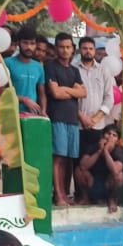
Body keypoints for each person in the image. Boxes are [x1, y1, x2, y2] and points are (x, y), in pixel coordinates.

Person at [45, 32, 88, 206]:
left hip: (72, 119)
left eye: (68, 47)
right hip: (58, 118)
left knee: (69, 159)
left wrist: (66, 90)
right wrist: (73, 91)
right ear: (56, 48)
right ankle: (58, 195)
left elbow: (83, 93)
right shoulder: (50, 66)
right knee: (58, 157)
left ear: (73, 49)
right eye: (61, 47)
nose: (65, 50)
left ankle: (64, 194)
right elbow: (55, 93)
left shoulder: (74, 70)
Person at [75, 122, 123, 212]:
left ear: (117, 141)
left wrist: (106, 152)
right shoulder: (93, 147)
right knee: (78, 170)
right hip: (93, 184)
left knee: (119, 176)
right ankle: (85, 198)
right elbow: (83, 166)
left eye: (114, 135)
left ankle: (112, 200)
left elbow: (116, 171)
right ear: (102, 136)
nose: (110, 137)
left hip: (108, 186)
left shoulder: (118, 151)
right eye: (108, 134)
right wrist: (99, 151)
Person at [4, 26, 46, 117]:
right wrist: (24, 100)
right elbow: (1, 91)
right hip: (11, 115)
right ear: (19, 43)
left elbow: (42, 93)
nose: (29, 47)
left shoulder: (38, 67)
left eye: (32, 43)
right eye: (25, 43)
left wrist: (43, 111)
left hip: (32, 116)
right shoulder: (7, 63)